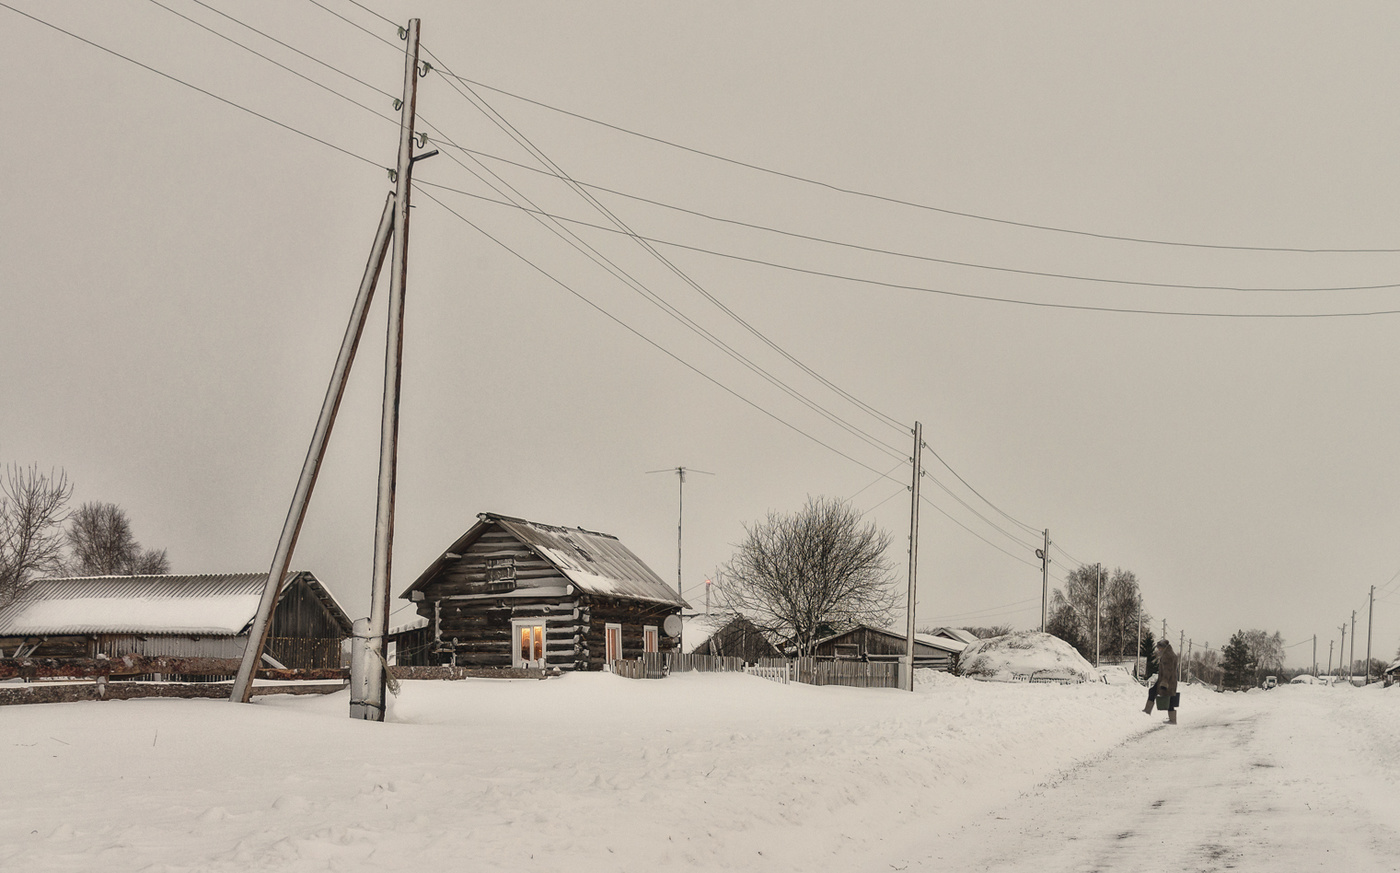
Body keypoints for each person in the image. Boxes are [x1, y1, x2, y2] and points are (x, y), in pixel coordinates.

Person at [1142, 638, 1179, 725]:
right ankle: (1173, 720)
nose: (1158, 650)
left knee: (1153, 692)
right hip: (1171, 681)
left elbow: (1168, 670)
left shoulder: (1167, 656)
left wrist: (1164, 682)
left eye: (1159, 648)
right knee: (1170, 698)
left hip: (1166, 680)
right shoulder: (1171, 654)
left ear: (1163, 647)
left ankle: (1147, 712)